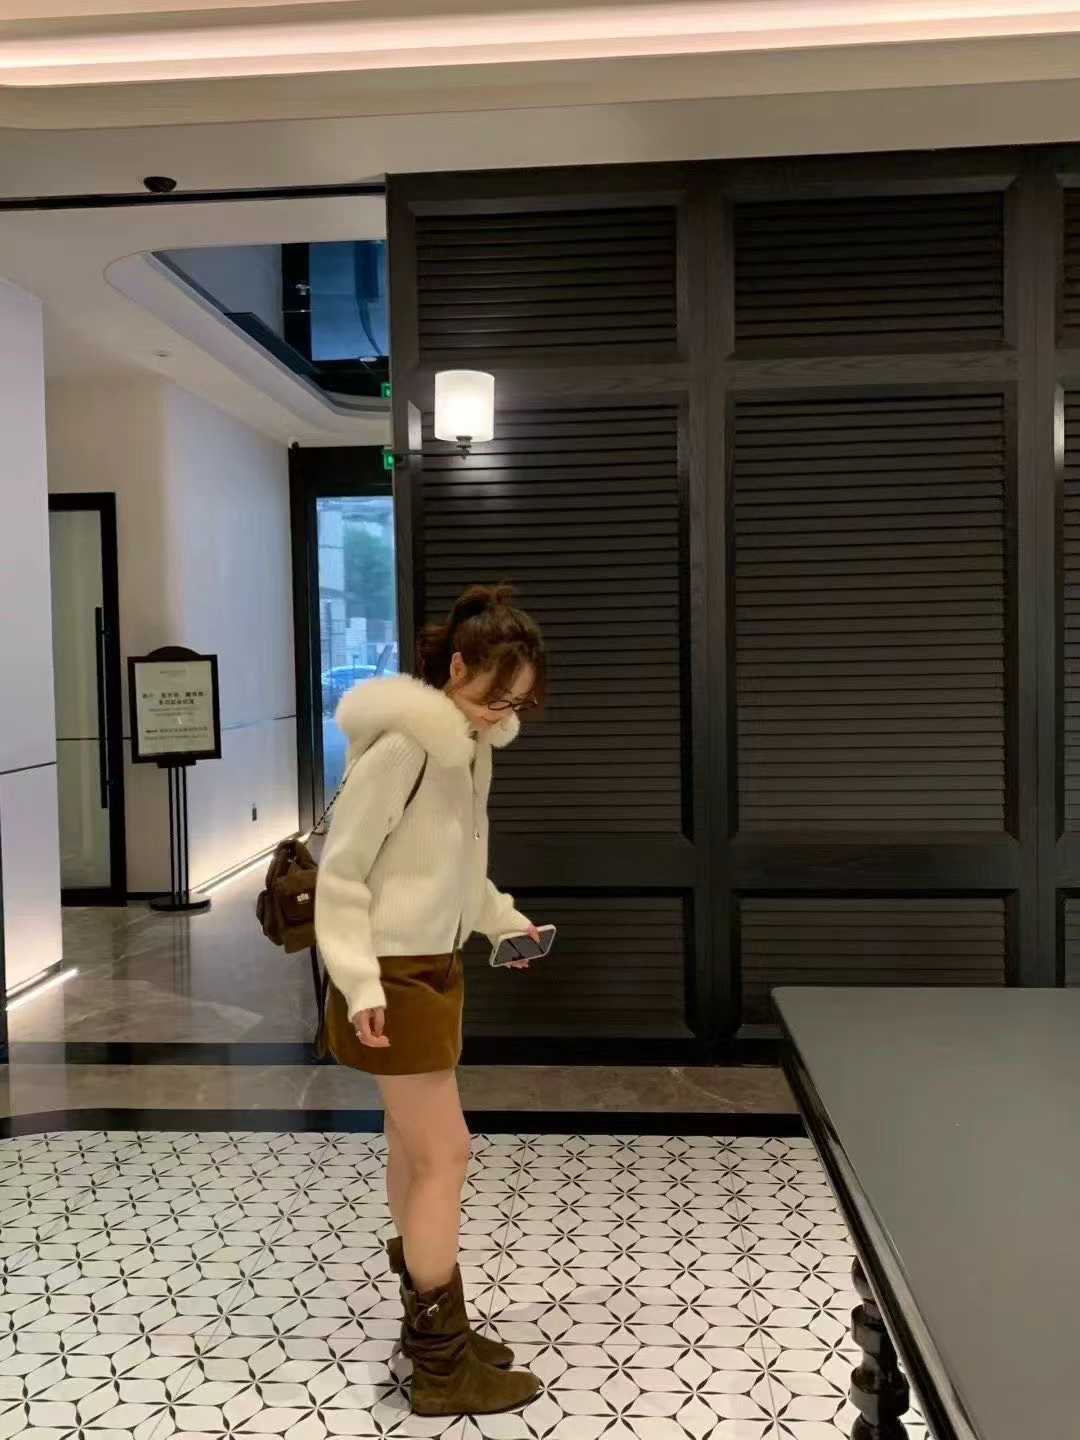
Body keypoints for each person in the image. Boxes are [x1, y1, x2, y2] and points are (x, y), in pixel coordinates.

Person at [314, 582, 547, 1417]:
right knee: (446, 1153)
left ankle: (434, 1332)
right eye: (493, 695)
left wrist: (503, 922)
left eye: (516, 703)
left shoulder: (466, 750)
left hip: (432, 967)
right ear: (456, 668)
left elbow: (450, 873)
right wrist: (359, 982)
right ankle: (442, 1364)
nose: (500, 714)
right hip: (391, 975)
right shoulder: (405, 749)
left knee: (415, 1153)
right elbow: (342, 873)